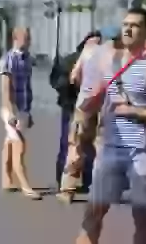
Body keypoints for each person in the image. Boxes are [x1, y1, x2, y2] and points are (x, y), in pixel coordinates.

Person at [75, 8, 146, 244]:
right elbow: (93, 102)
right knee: (92, 214)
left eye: (135, 25)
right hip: (110, 149)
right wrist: (85, 117)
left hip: (141, 153)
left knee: (141, 218)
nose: (128, 29)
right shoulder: (109, 62)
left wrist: (134, 111)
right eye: (125, 25)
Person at [50, 31, 101, 194]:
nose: (96, 46)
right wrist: (70, 93)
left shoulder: (102, 61)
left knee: (89, 146)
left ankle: (88, 181)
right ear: (85, 43)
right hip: (72, 106)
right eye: (93, 42)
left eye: (99, 43)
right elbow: (58, 81)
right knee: (69, 143)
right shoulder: (71, 60)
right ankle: (63, 182)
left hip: (91, 108)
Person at [0, 27, 42, 200]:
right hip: (12, 109)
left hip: (23, 108)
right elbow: (5, 88)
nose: (29, 40)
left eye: (30, 37)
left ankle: (6, 179)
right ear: (16, 38)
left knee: (10, 142)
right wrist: (10, 112)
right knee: (20, 145)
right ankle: (25, 185)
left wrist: (28, 113)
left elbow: (28, 87)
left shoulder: (27, 59)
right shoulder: (8, 59)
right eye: (26, 37)